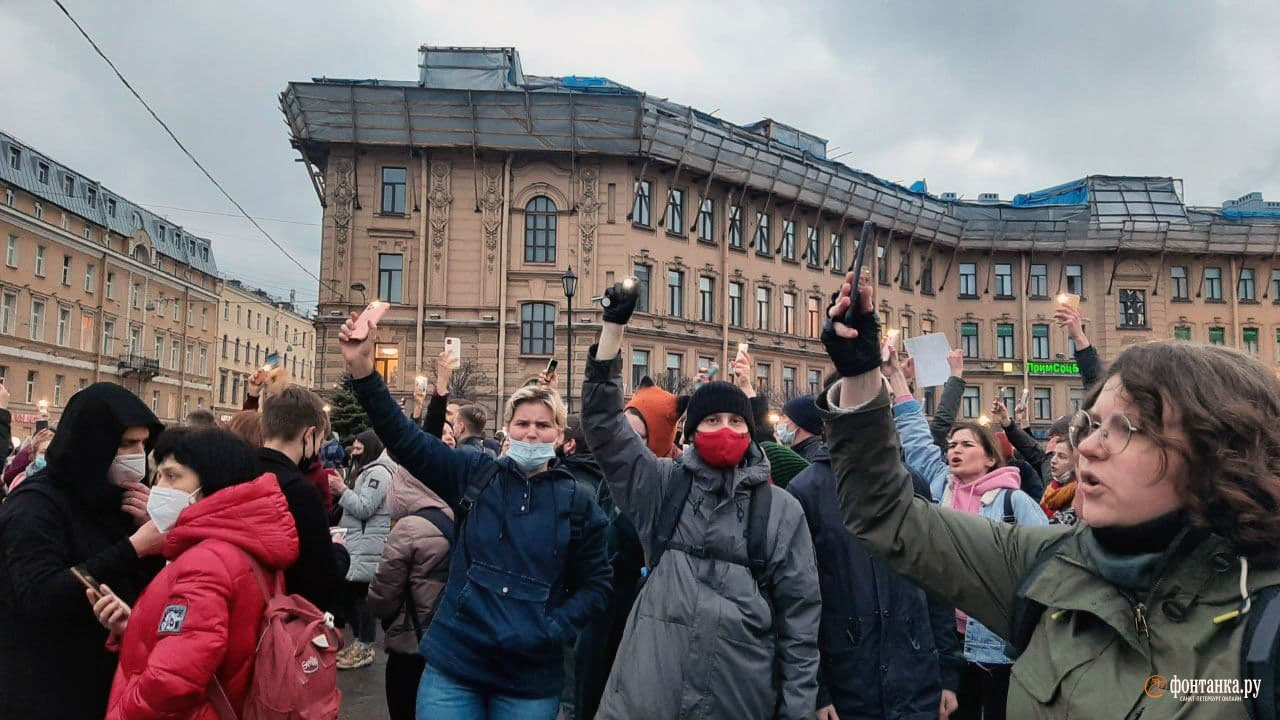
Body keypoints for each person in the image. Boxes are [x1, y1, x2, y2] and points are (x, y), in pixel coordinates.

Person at [819, 270, 1280, 718]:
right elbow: (887, 518)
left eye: (1126, 429)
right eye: (1093, 424)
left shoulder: (1265, 625)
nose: (1089, 447)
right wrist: (861, 374)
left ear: (1218, 452)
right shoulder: (1049, 565)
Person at [337, 310, 611, 719]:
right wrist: (362, 368)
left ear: (559, 437)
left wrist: (552, 628)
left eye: (543, 425)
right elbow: (407, 439)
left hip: (528, 680)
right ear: (507, 429)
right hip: (455, 667)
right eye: (522, 424)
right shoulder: (473, 475)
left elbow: (597, 585)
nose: (532, 433)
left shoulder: (579, 502)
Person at [581, 278, 821, 720]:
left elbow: (800, 628)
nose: (725, 428)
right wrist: (612, 330)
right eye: (711, 419)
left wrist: (797, 710)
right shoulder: (662, 486)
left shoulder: (781, 511)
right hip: (646, 699)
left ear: (751, 432)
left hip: (737, 700)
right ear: (691, 433)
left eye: (735, 419)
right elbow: (603, 427)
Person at [882, 347, 1046, 720]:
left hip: (997, 645)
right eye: (952, 445)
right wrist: (895, 379)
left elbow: (1047, 564)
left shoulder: (1014, 503)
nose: (954, 450)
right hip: (945, 641)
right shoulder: (939, 485)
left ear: (990, 458)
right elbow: (917, 436)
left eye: (966, 445)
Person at [97, 428, 299, 719]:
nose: (160, 487)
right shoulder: (242, 543)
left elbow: (172, 680)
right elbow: (210, 641)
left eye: (172, 476)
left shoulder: (206, 561)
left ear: (210, 483)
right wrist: (136, 627)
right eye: (160, 476)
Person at [0, 383, 166, 720]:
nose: (138, 454)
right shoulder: (35, 505)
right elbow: (40, 594)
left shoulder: (119, 497)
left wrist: (153, 532)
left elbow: (144, 588)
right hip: (45, 689)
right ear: (92, 444)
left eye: (143, 444)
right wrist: (134, 546)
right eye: (126, 443)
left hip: (109, 685)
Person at [787, 407, 963, 720]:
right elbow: (798, 602)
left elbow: (937, 581)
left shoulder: (912, 483)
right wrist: (818, 690)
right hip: (847, 686)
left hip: (915, 679)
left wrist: (947, 673)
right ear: (830, 421)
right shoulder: (805, 491)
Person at [368, 463, 453, 720]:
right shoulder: (455, 516)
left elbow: (382, 597)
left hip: (411, 646)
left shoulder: (407, 528)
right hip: (449, 643)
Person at [256, 385, 349, 614]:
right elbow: (319, 583)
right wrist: (338, 553)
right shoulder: (301, 492)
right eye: (319, 442)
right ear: (308, 435)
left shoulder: (233, 472)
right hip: (281, 617)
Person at [332, 430, 394, 670]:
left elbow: (365, 507)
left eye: (359, 450)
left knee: (361, 598)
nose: (354, 454)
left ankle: (364, 645)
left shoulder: (378, 473)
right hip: (358, 542)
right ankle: (359, 643)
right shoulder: (367, 471)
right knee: (353, 595)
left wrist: (342, 490)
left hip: (368, 543)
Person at [1039, 435, 1081, 526]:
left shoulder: (1080, 494)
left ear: (1077, 463)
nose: (1053, 460)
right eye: (1054, 454)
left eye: (1061, 457)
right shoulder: (1051, 489)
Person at [776, 395, 826, 462]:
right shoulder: (806, 451)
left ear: (799, 422)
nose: (780, 422)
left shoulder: (815, 457)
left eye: (784, 417)